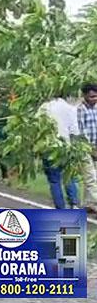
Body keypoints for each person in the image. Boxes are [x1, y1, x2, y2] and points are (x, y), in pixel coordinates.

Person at [39, 93, 80, 209]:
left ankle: (60, 207)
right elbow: (74, 131)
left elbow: (39, 129)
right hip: (66, 146)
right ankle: (74, 203)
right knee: (69, 176)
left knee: (54, 180)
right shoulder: (70, 108)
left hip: (49, 147)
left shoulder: (44, 107)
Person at [77, 83, 97, 213]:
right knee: (91, 178)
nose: (94, 99)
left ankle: (89, 204)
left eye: (96, 96)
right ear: (85, 96)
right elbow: (81, 131)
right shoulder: (80, 110)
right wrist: (90, 149)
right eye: (91, 97)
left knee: (94, 177)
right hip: (84, 148)